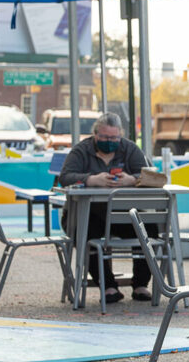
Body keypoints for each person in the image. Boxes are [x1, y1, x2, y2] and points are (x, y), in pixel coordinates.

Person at [59, 112, 153, 304]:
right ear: (95, 134)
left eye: (114, 138)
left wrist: (131, 180)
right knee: (85, 233)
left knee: (148, 229)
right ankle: (108, 285)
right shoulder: (81, 151)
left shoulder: (130, 149)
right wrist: (91, 179)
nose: (109, 141)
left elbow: (149, 175)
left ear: (120, 135)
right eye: (104, 138)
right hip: (87, 215)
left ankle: (141, 285)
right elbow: (65, 177)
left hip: (123, 214)